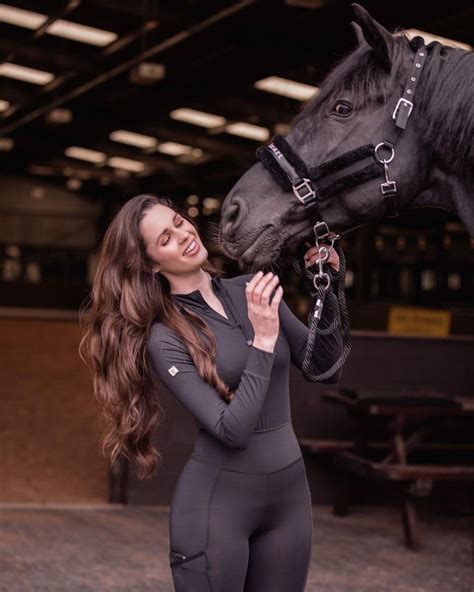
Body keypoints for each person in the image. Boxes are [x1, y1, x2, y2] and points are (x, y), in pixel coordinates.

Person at [79, 193, 344, 592]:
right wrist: (264, 340)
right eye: (165, 238)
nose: (183, 234)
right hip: (216, 508)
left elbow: (325, 368)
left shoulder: (251, 289)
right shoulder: (165, 338)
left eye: (179, 222)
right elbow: (231, 431)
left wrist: (329, 286)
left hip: (289, 500)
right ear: (151, 263)